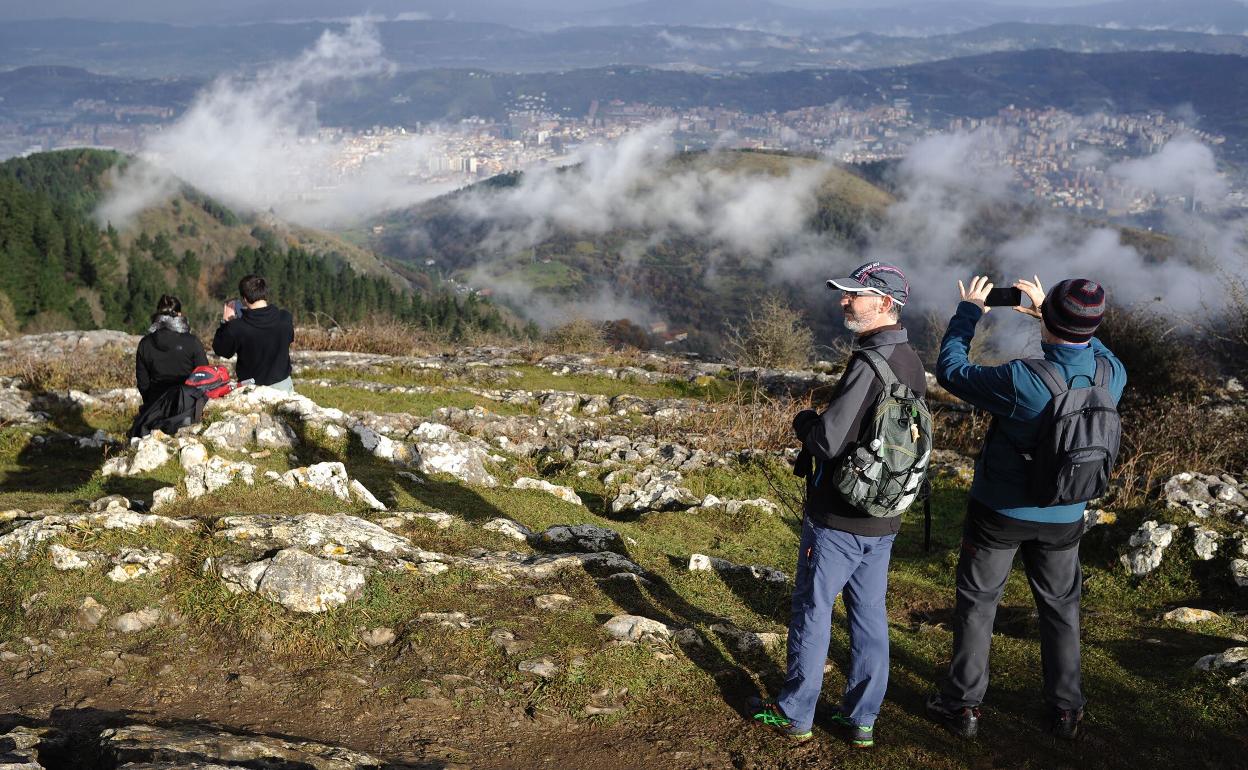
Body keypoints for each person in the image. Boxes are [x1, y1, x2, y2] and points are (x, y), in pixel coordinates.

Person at [925, 276, 1126, 740]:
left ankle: (962, 705)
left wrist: (969, 311)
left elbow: (951, 371)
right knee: (1061, 608)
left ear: (1049, 319)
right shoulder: (1111, 375)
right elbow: (1095, 345)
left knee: (978, 604)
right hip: (1067, 514)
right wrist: (1052, 316)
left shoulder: (1023, 379)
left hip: (1001, 512)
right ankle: (1065, 710)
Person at [750, 262, 926, 748]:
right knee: (869, 614)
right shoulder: (910, 359)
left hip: (838, 518)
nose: (844, 301)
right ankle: (861, 719)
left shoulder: (869, 363)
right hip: (883, 516)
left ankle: (795, 714)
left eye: (855, 295)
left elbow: (827, 441)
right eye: (846, 293)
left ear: (885, 304)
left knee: (813, 609)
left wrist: (805, 420)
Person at [212, 274, 295, 392]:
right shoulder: (285, 318)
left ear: (245, 298)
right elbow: (289, 338)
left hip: (251, 389)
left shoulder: (237, 327)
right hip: (283, 386)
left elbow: (222, 350)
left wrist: (225, 323)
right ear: (265, 293)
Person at [135, 294, 207, 407]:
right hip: (187, 405)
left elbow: (143, 383)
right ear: (179, 315)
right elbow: (204, 375)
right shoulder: (192, 342)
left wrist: (150, 403)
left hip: (156, 405)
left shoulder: (145, 343)